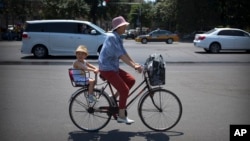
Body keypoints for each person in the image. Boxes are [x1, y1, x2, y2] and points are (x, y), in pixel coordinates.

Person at [98, 16, 143, 124]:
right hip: (107, 68)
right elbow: (121, 56)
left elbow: (124, 53)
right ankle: (121, 116)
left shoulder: (117, 37)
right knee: (124, 90)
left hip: (112, 67)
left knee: (131, 80)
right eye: (124, 26)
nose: (125, 28)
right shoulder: (112, 37)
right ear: (118, 27)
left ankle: (113, 98)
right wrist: (133, 66)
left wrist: (134, 63)